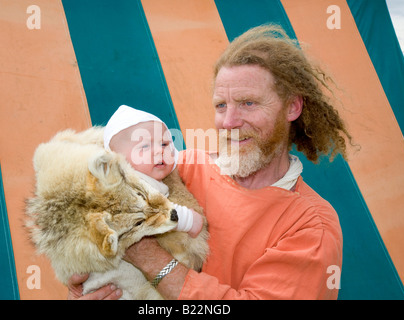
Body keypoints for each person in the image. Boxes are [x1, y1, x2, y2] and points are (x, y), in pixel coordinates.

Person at [67, 24, 353, 300]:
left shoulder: (310, 225)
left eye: (248, 103)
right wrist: (88, 289)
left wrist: (144, 253)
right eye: (221, 105)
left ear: (292, 106)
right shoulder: (182, 168)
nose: (228, 122)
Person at [103, 105, 204, 238]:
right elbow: (148, 208)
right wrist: (188, 220)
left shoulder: (161, 178)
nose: (159, 151)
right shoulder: (126, 183)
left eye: (164, 144)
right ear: (119, 159)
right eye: (144, 146)